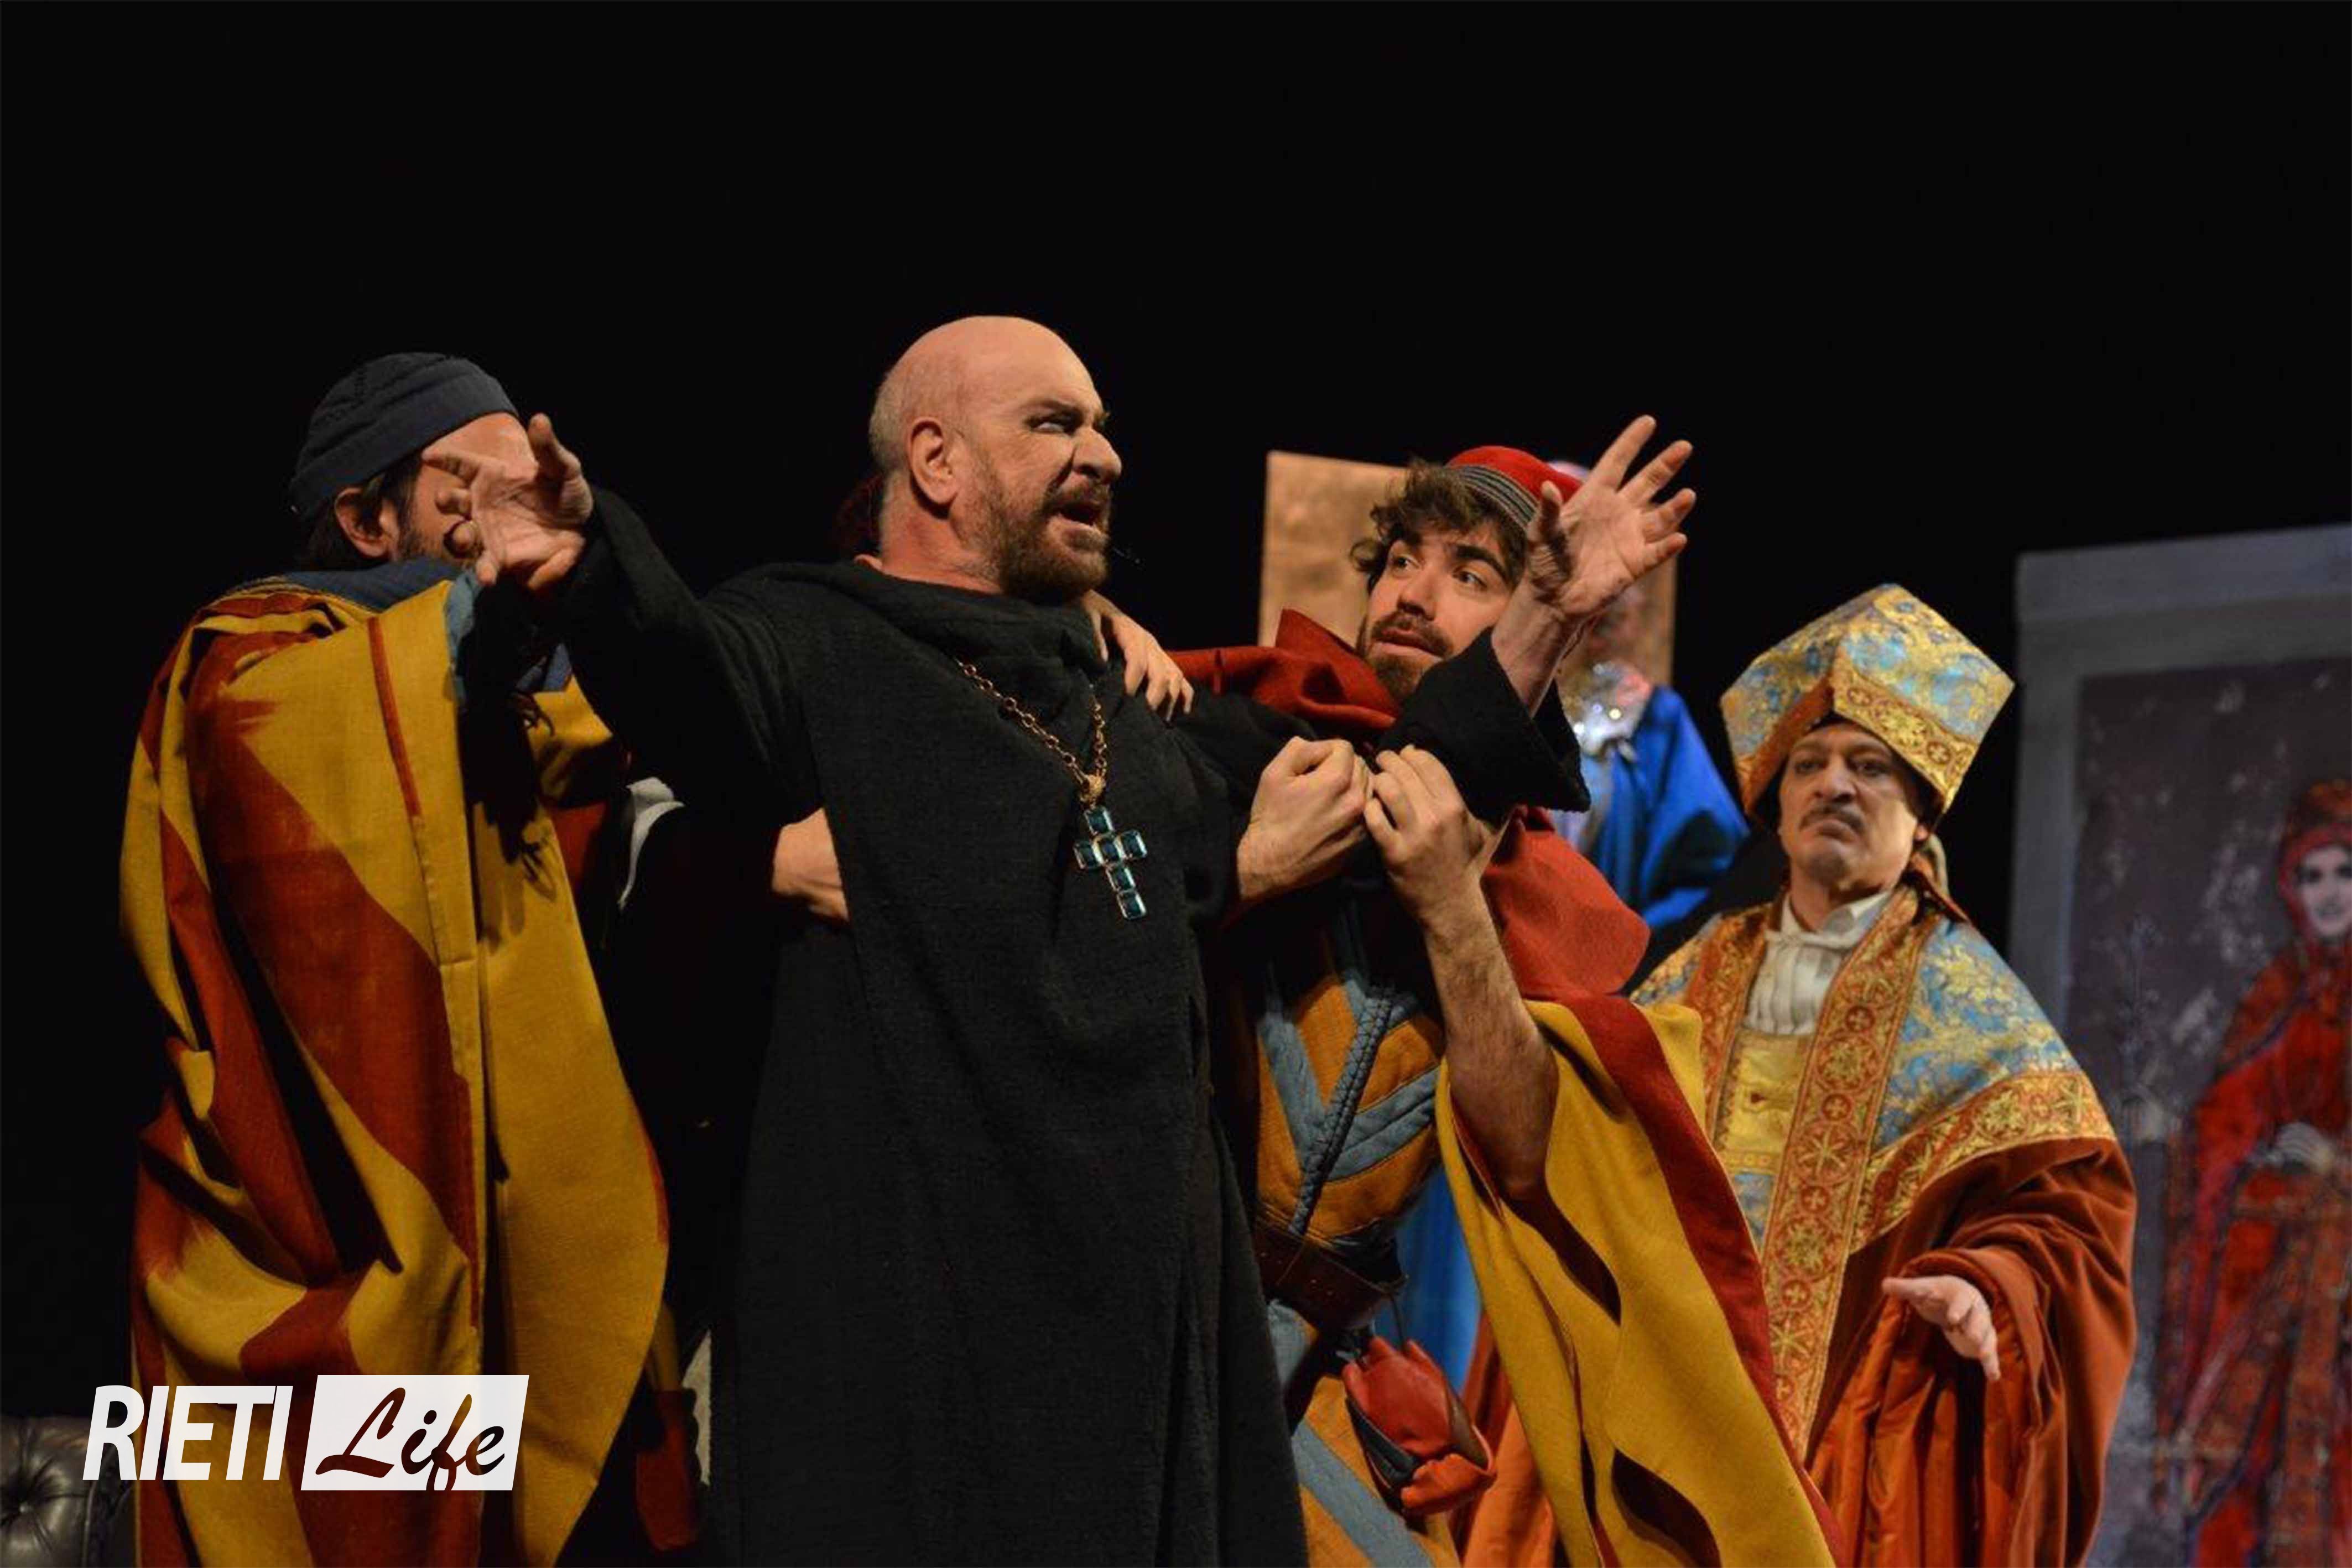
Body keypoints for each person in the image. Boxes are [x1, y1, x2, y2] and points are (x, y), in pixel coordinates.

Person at [425, 317, 1662, 1564]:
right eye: (1055, 423)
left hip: (1130, 1374)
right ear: (936, 461)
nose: (1105, 453)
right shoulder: (810, 640)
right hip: (902, 1355)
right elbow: (686, 680)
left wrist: (1546, 617)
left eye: (1103, 427)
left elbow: (1406, 781)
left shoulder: (1126, 703)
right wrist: (589, 566)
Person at [1172, 445, 1836, 1565]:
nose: (1412, 593)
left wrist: (1451, 906)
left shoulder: (1542, 894)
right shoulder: (1246, 740)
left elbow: (1526, 1149)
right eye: (1399, 560)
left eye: (1471, 574)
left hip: (1320, 1364)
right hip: (1169, 1316)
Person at [120, 355, 688, 1565]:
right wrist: (484, 612)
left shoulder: (548, 689)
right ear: (366, 518)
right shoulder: (248, 656)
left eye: (525, 488)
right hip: (305, 1255)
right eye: (462, 489)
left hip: (523, 1263)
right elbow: (306, 806)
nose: (500, 517)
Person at [1632, 584, 2137, 1565]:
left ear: (1921, 814)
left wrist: (1989, 1285)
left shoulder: (1970, 1006)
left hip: (1846, 1447)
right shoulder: (1690, 977)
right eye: (1809, 763)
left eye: (1870, 767)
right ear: (1777, 803)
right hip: (1664, 1414)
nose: (1834, 785)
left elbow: (2073, 1216)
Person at [2155, 778, 2351, 1565]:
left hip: (2341, 1281)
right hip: (2264, 1270)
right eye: (2312, 875)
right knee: (2242, 1471)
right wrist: (2193, 1142)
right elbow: (2227, 1119)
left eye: (2344, 872)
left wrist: (2338, 1164)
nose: (2329, 892)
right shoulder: (2278, 994)